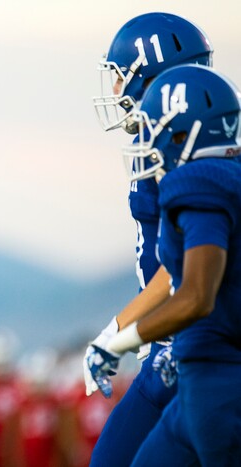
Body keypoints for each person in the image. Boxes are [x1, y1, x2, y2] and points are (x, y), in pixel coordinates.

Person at [88, 64, 241, 465]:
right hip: (195, 380)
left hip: (219, 379)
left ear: (184, 129)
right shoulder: (224, 176)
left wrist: (118, 341)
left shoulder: (202, 180)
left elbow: (194, 296)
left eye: (155, 126)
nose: (147, 137)